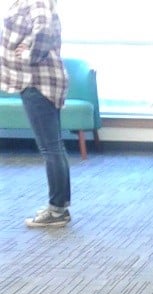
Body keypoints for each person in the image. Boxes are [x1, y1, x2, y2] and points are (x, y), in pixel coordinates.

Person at [0, 0, 71, 227]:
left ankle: (58, 210)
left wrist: (28, 56)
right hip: (36, 82)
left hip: (37, 82)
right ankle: (59, 207)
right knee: (53, 147)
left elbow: (44, 31)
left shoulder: (36, 0)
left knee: (50, 147)